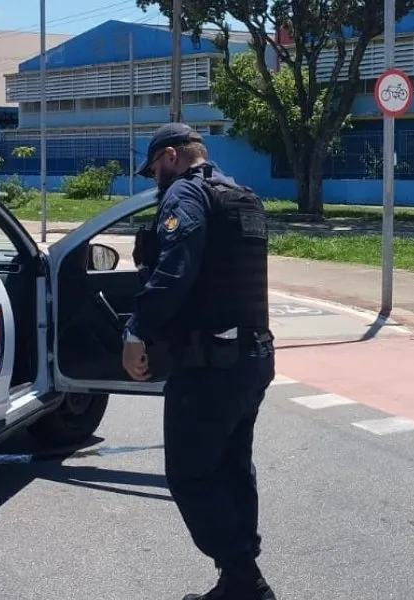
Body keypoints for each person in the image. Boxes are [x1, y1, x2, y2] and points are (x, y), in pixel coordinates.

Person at [122, 123, 277, 600]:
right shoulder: (241, 195)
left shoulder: (186, 196)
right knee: (232, 467)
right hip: (253, 356)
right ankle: (236, 580)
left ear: (170, 156)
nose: (155, 180)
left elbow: (175, 271)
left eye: (154, 170)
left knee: (190, 474)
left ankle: (246, 581)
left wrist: (136, 330)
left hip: (209, 363)